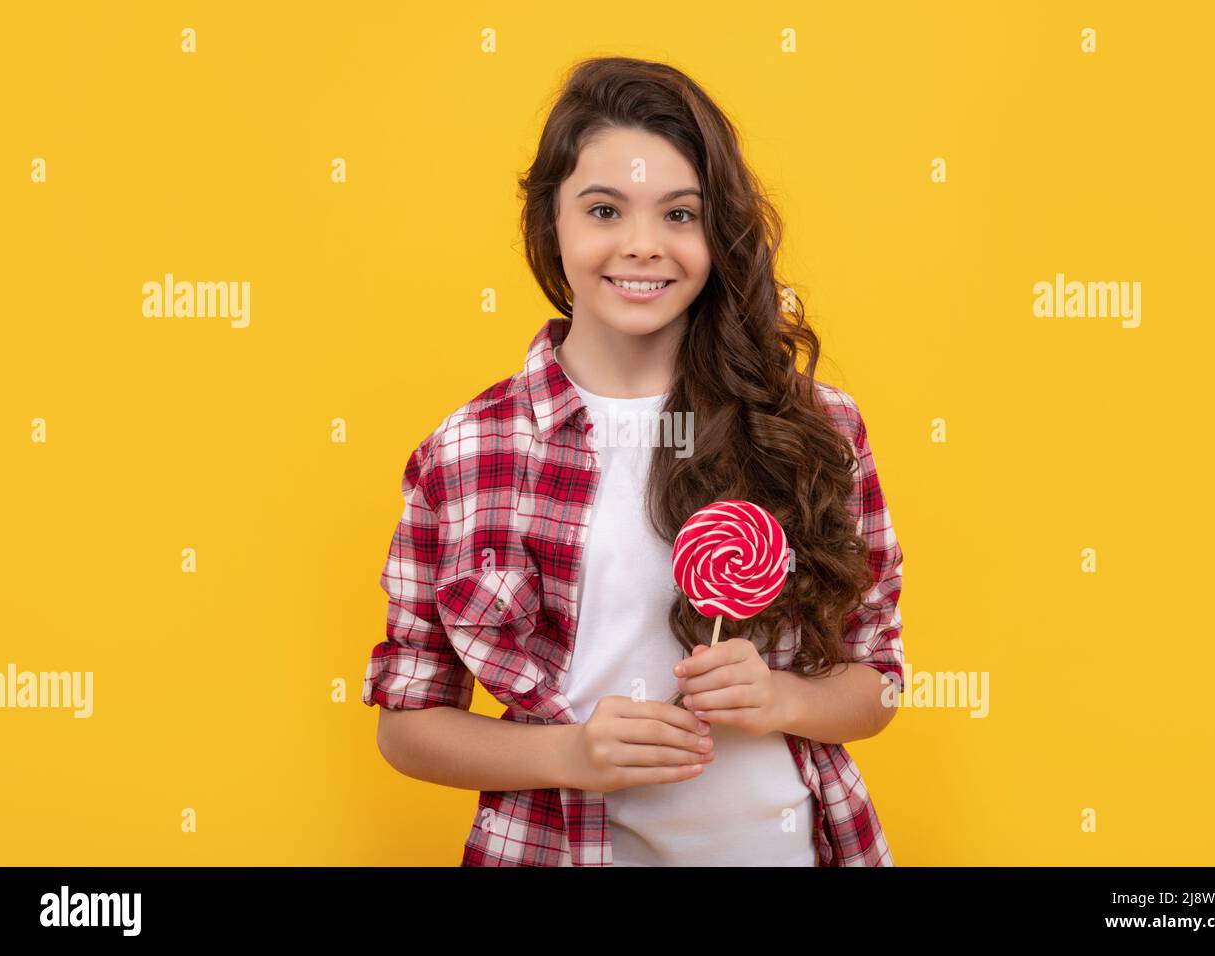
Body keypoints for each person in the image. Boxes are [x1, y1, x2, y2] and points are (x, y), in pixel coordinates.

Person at [362, 56, 906, 867]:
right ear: (552, 223)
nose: (643, 246)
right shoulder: (467, 452)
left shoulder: (815, 427)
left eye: (680, 215)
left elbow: (880, 682)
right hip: (555, 847)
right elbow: (406, 726)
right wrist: (569, 756)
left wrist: (781, 696)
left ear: (717, 232)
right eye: (605, 209)